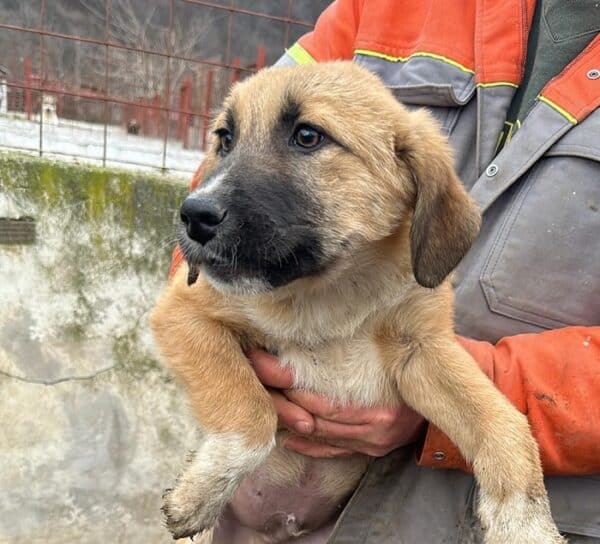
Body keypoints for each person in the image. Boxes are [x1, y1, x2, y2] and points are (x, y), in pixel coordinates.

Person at [169, 1, 600, 541]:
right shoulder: (386, 7)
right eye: (224, 140)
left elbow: (420, 346)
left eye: (307, 138)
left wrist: (450, 405)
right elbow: (217, 188)